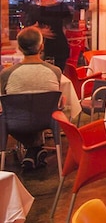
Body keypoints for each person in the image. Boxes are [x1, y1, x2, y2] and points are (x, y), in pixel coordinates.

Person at [0, 26, 62, 170]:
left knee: (10, 111)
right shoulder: (55, 71)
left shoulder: (7, 74)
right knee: (42, 108)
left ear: (20, 48)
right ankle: (35, 149)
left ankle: (32, 149)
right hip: (46, 121)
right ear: (41, 46)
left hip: (15, 124)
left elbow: (3, 99)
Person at [24, 0, 72, 71]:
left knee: (56, 77)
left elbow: (69, 23)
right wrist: (37, 31)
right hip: (38, 49)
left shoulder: (61, 7)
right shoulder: (34, 8)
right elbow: (26, 28)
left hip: (58, 47)